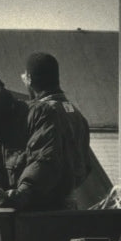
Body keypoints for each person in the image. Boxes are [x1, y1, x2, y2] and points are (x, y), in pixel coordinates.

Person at [14, 51, 98, 210]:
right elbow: (85, 165)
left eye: (25, 76)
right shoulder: (73, 111)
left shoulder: (42, 111)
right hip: (68, 201)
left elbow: (42, 160)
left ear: (30, 79)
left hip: (45, 205)